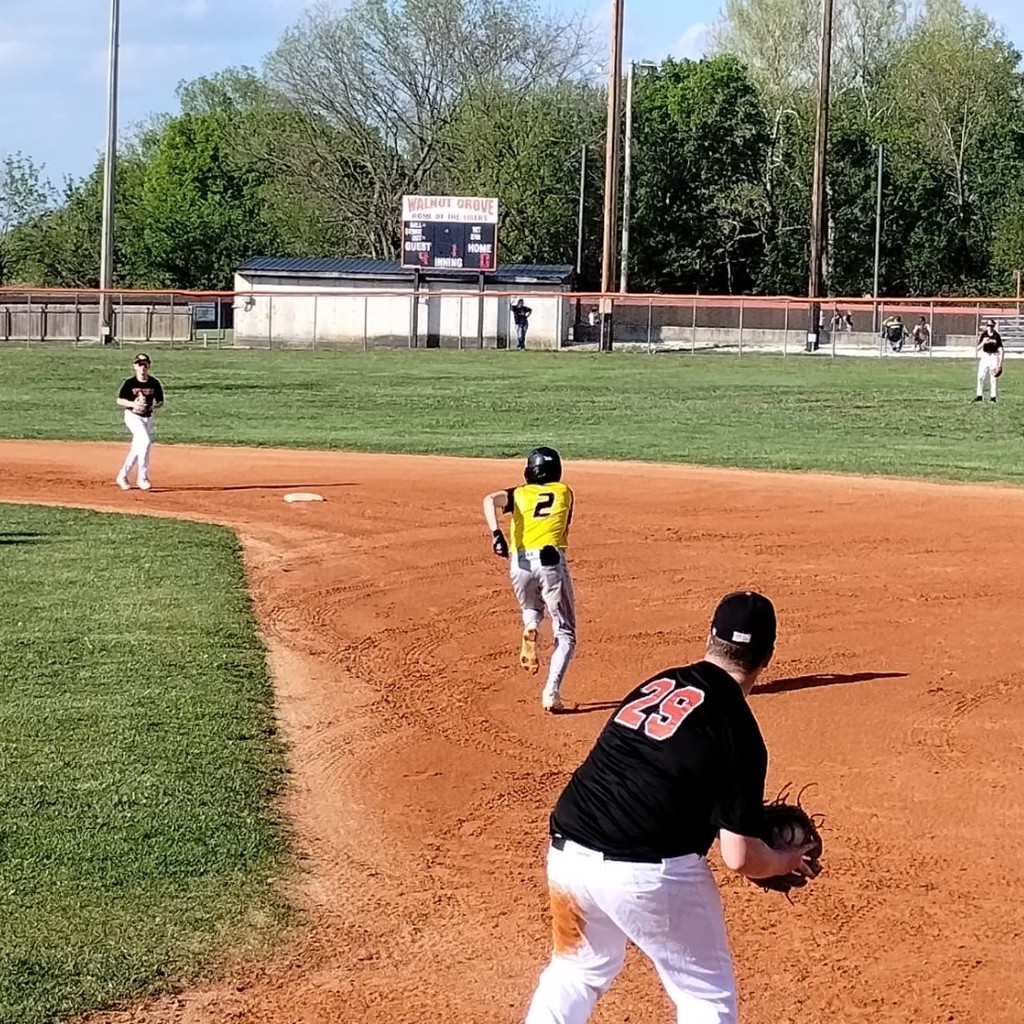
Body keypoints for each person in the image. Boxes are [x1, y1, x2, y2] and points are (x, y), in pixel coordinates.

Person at [523, 591, 818, 1024]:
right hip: (647, 872)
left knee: (576, 971)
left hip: (569, 851)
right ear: (767, 657)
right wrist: (782, 859)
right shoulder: (738, 728)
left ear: (711, 639)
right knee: (706, 996)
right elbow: (739, 857)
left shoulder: (659, 683)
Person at [482, 447, 576, 712]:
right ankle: (551, 693)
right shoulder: (564, 492)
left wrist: (496, 534)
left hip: (519, 562)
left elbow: (489, 499)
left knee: (531, 608)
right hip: (550, 560)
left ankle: (532, 625)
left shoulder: (519, 494)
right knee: (566, 633)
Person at [115, 352, 164, 490]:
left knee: (138, 447)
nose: (142, 368)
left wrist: (153, 406)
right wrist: (133, 404)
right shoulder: (130, 383)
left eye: (145, 365)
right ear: (135, 366)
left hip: (147, 417)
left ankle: (122, 475)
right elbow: (119, 400)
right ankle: (142, 477)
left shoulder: (154, 383)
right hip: (132, 416)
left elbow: (160, 402)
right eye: (140, 365)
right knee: (146, 441)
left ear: (149, 366)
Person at [974, 319, 1003, 402]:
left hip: (994, 356)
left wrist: (1000, 364)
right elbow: (977, 348)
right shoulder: (984, 335)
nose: (989, 327)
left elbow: (1001, 350)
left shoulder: (996, 336)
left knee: (993, 377)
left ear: (994, 326)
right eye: (988, 325)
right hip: (985, 356)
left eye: (991, 325)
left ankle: (993, 397)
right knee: (980, 376)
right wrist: (983, 342)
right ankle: (979, 395)